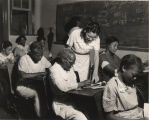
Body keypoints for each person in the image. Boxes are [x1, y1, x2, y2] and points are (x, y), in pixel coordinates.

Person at [50, 48, 90, 120]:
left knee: (91, 111)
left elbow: (73, 82)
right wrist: (80, 84)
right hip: (61, 105)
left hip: (73, 102)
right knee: (81, 117)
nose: (72, 65)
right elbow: (62, 87)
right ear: (63, 60)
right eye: (71, 63)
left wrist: (79, 85)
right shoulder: (54, 70)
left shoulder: (68, 67)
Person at [103, 54, 144, 120]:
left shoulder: (130, 81)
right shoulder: (112, 85)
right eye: (133, 75)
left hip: (137, 115)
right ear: (124, 68)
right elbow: (109, 117)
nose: (135, 78)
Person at [16, 41, 51, 117]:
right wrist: (39, 73)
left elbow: (50, 67)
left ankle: (47, 113)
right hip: (23, 86)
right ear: (31, 52)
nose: (39, 57)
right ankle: (40, 116)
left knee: (48, 90)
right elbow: (22, 75)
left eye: (41, 55)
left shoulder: (42, 58)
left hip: (38, 84)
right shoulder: (24, 59)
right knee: (38, 93)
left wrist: (48, 72)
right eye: (37, 55)